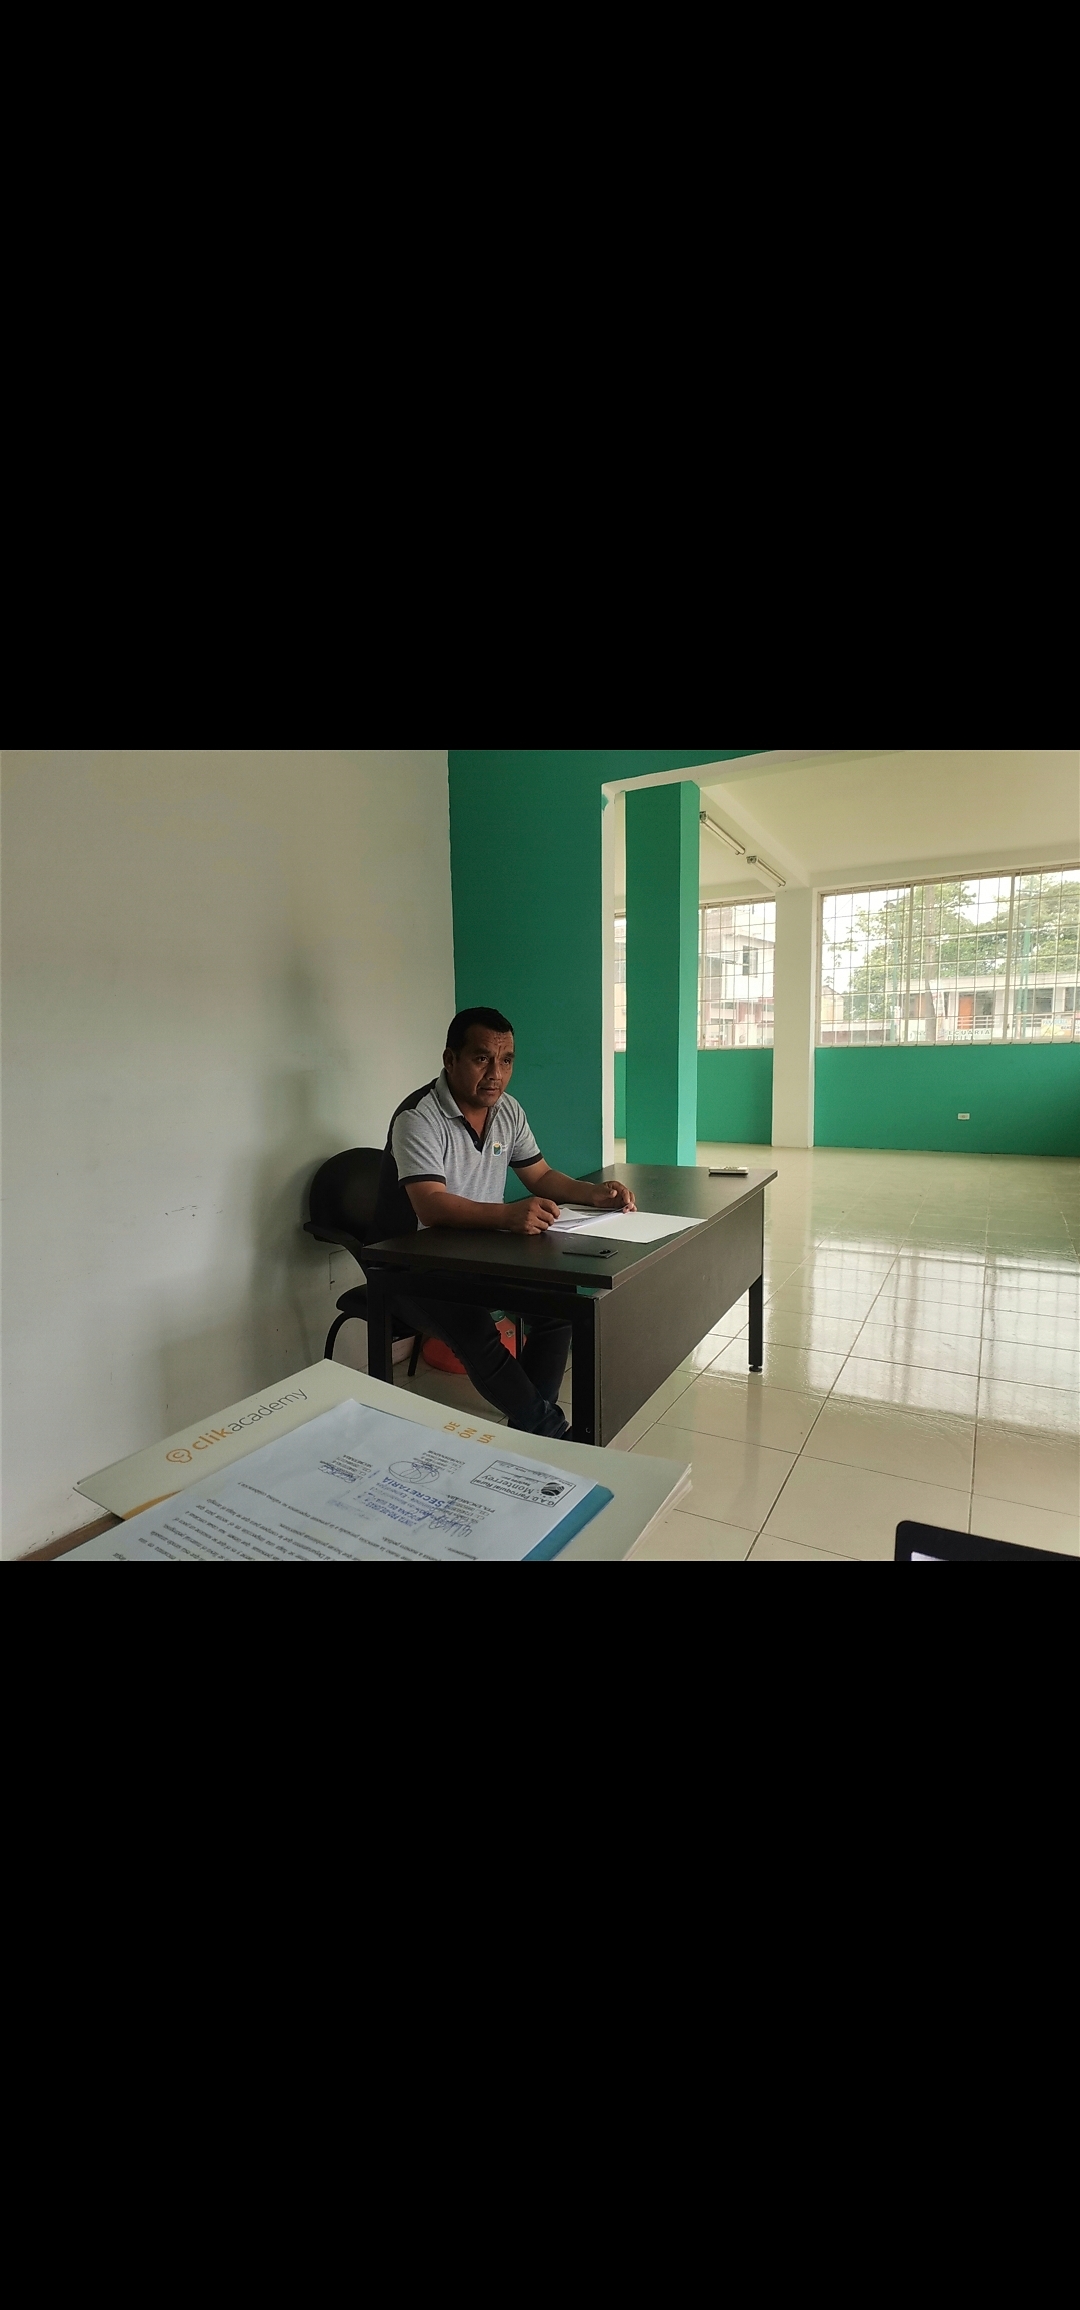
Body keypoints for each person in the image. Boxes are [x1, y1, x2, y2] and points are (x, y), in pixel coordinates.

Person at [371, 1008, 636, 1439]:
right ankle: (551, 1435)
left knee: (558, 1305)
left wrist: (593, 1193)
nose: (496, 1073)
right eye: (482, 1059)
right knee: (475, 1329)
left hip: (479, 1251)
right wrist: (508, 1215)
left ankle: (531, 1431)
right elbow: (431, 1207)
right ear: (450, 1059)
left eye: (506, 1060)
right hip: (410, 1263)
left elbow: (540, 1176)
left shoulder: (507, 1110)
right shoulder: (418, 1118)